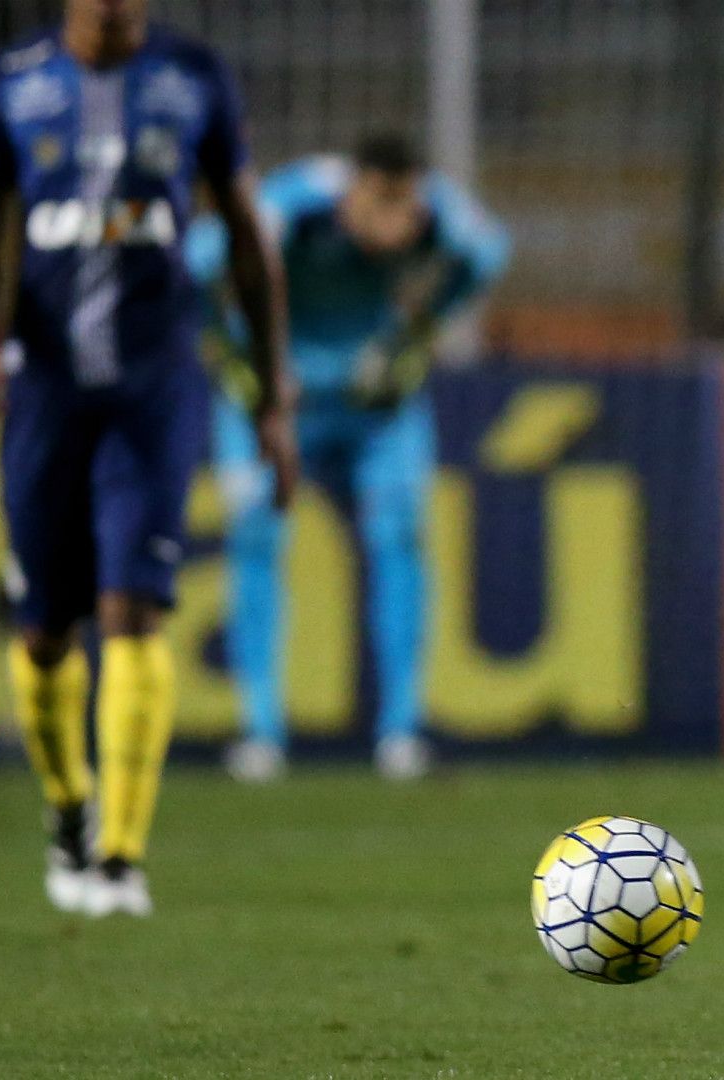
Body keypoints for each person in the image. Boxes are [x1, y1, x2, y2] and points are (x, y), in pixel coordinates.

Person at [0, 0, 297, 917]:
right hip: (46, 389)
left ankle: (120, 859)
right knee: (43, 630)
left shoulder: (195, 78)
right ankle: (70, 807)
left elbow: (249, 240)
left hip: (157, 385)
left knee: (135, 610)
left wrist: (274, 397)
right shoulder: (9, 84)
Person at [188, 133, 510, 783]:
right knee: (255, 538)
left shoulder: (437, 212)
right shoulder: (295, 205)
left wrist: (417, 332)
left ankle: (401, 733)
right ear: (353, 193)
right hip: (275, 403)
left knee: (401, 537)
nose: (394, 226)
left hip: (376, 405)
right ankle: (260, 732)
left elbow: (488, 254)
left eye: (404, 208)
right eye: (380, 205)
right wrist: (231, 350)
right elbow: (198, 261)